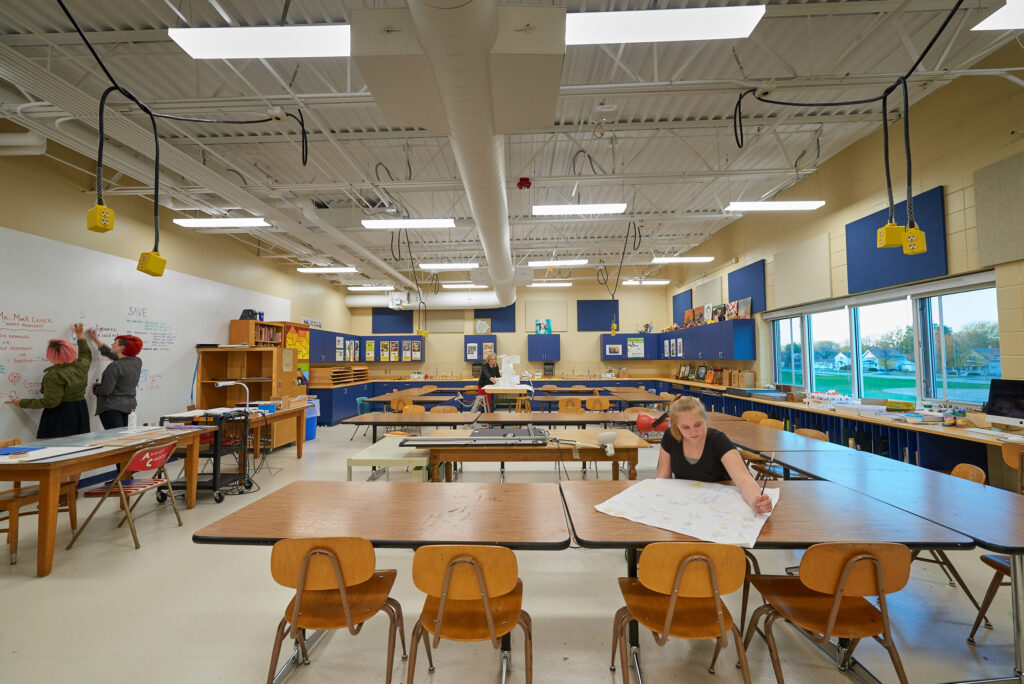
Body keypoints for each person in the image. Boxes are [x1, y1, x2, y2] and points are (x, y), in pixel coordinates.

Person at [656, 396, 773, 514]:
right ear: (676, 426)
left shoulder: (718, 441)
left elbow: (744, 480)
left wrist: (755, 500)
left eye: (698, 424)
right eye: (685, 427)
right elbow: (663, 478)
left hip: (717, 507)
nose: (693, 432)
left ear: (705, 419)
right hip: (684, 506)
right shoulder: (670, 437)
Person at [5, 323, 91, 438]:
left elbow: (51, 402)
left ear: (51, 356)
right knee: (78, 446)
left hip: (61, 414)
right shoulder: (81, 365)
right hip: (80, 410)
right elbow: (86, 353)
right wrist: (80, 335)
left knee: (57, 450)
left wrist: (21, 402)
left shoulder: (54, 376)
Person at [87, 329, 143, 429]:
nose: (112, 344)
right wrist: (95, 340)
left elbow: (105, 390)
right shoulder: (137, 362)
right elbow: (114, 355)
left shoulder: (115, 366)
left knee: (115, 438)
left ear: (122, 348)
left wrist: (96, 388)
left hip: (111, 408)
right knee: (125, 438)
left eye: (114, 343)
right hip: (129, 406)